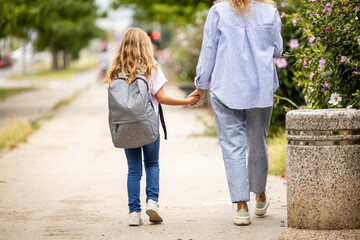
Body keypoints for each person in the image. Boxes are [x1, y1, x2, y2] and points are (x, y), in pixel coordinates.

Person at [189, 0, 283, 225]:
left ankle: (241, 207)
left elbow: (209, 49)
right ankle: (260, 196)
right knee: (257, 142)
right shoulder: (270, 12)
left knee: (233, 146)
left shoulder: (218, 11)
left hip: (226, 86)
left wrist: (201, 85)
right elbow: (278, 50)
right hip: (259, 89)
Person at [106, 28, 199, 226]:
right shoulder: (151, 68)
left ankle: (134, 213)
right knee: (152, 164)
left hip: (125, 127)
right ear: (146, 45)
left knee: (133, 170)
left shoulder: (116, 71)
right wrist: (187, 102)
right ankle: (152, 202)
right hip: (149, 126)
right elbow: (162, 97)